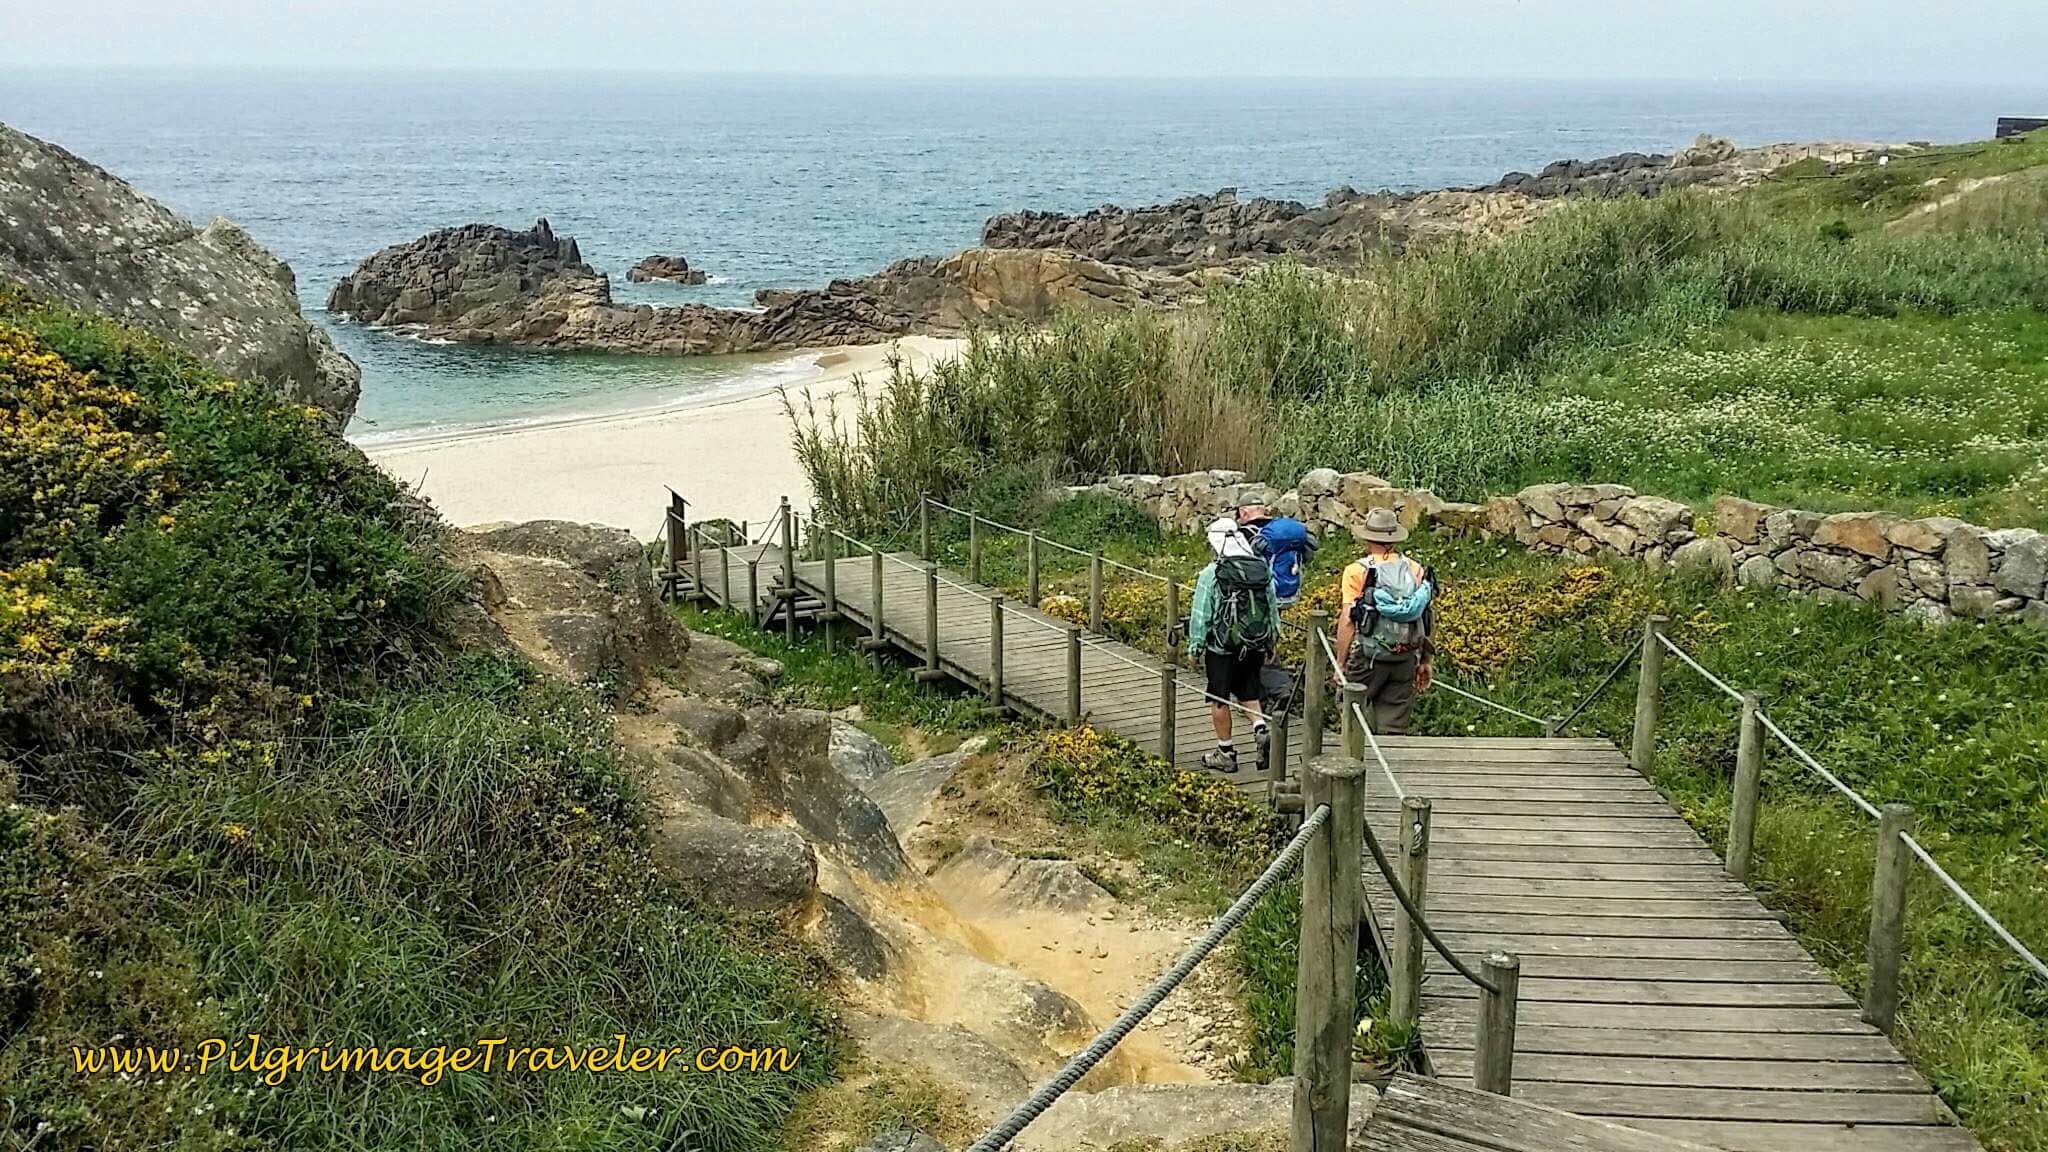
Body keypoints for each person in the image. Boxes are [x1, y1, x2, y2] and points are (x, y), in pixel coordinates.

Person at [1186, 516, 1280, 772]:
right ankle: (1260, 727)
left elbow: (1202, 613)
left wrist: (1195, 647)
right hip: (1254, 644)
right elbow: (1271, 607)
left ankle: (1225, 752)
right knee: (1249, 691)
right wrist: (1272, 641)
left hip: (1221, 647)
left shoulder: (1213, 573)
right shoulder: (1260, 569)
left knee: (1219, 697)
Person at [1334, 506, 1436, 736]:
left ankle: (1359, 762)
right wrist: (1426, 660)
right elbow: (1427, 616)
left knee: (1351, 707)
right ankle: (1391, 761)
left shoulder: (1357, 571)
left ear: (1368, 537)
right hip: (1405, 656)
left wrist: (1340, 663)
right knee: (1394, 722)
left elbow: (1348, 620)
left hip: (1368, 657)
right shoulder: (1414, 568)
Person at [1236, 499, 1316, 608]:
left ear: (1243, 512)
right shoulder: (1281, 529)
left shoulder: (1245, 534)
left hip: (1262, 595)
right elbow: (1309, 554)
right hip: (1290, 593)